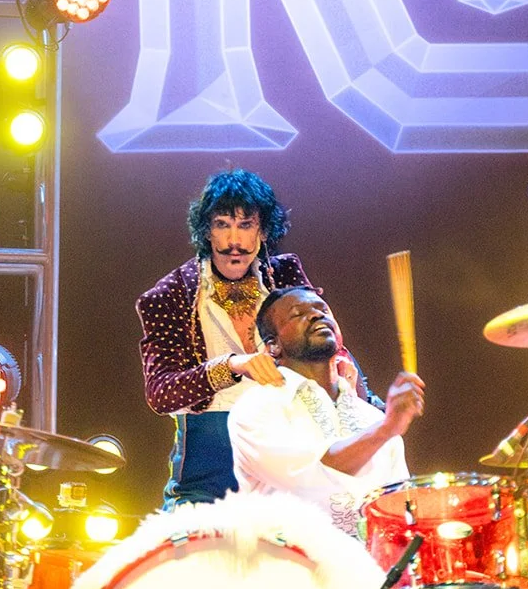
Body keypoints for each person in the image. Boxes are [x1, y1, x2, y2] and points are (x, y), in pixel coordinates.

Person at [138, 169, 377, 508]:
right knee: (189, 538)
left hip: (289, 446)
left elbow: (324, 337)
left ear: (263, 231)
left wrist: (368, 402)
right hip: (210, 465)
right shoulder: (171, 294)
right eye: (222, 225)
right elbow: (161, 393)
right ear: (206, 231)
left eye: (246, 225)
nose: (233, 241)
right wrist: (233, 366)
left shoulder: (284, 273)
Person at [228, 286, 425, 534]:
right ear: (273, 346)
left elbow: (398, 508)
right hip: (291, 556)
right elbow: (314, 474)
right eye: (298, 314)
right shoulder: (257, 408)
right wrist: (386, 429)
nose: (316, 315)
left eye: (322, 310)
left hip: (370, 557)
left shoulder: (372, 418)